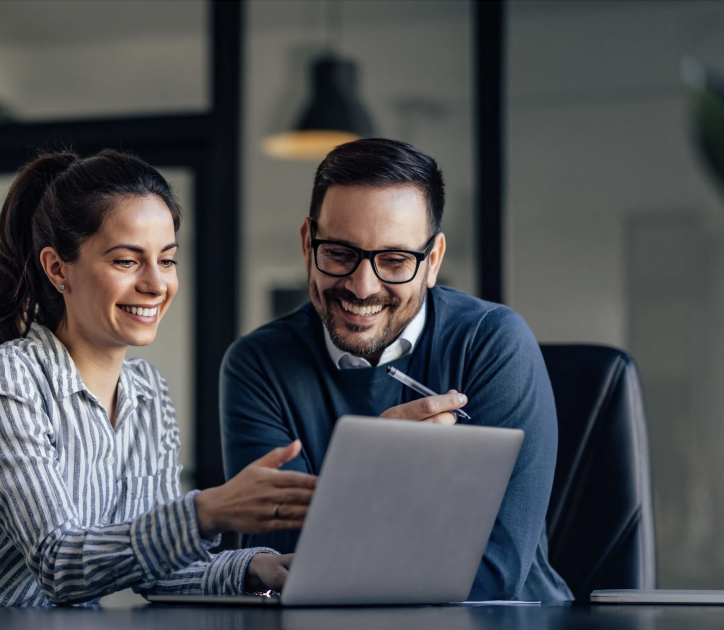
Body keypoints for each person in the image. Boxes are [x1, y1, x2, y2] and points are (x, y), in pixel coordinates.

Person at [0, 150, 315, 613]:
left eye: (166, 260)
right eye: (127, 261)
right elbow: (59, 563)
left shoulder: (148, 392)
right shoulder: (2, 383)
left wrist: (258, 568)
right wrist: (208, 511)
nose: (156, 284)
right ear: (57, 269)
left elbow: (157, 567)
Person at [220, 138, 573, 602]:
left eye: (394, 260)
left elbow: (496, 568)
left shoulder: (494, 343)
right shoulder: (257, 365)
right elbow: (285, 565)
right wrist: (375, 471)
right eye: (340, 253)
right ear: (309, 244)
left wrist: (351, 516)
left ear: (433, 261)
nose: (362, 287)